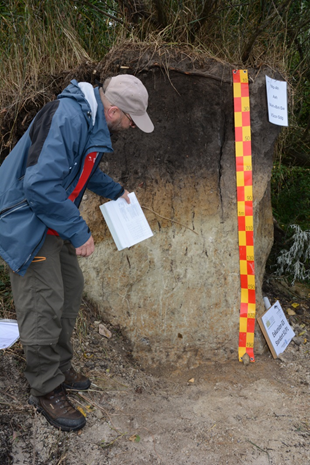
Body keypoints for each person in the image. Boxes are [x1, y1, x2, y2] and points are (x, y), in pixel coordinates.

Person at [0, 74, 154, 432]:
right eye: (131, 119)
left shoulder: (92, 121)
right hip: (26, 219)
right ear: (114, 110)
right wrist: (79, 231)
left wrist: (116, 191)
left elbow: (83, 171)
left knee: (70, 291)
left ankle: (59, 366)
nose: (131, 127)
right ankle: (45, 387)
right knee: (44, 302)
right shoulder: (69, 117)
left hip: (51, 219)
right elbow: (39, 184)